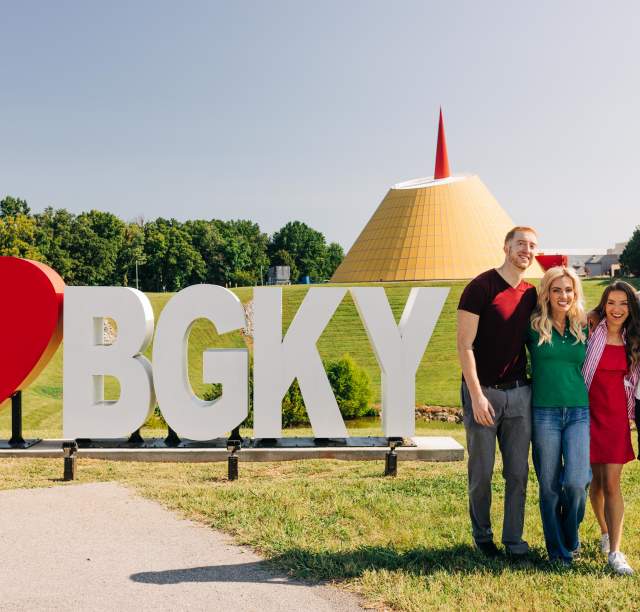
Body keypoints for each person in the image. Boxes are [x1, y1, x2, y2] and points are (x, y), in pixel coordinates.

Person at [457, 226, 538, 557]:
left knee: (518, 473)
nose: (527, 250)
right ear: (506, 247)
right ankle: (483, 535)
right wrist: (476, 395)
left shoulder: (532, 293)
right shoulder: (480, 287)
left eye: (532, 246)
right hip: (484, 393)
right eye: (521, 243)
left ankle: (514, 540)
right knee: (482, 471)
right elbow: (464, 346)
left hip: (520, 394)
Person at [527, 266, 589, 564]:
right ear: (547, 293)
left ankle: (571, 537)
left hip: (578, 412)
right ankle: (558, 552)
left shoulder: (584, 326)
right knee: (549, 487)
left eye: (568, 290)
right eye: (556, 290)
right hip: (544, 414)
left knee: (577, 482)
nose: (563, 295)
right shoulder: (534, 325)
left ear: (575, 292)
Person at [583, 281, 640, 575]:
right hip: (587, 415)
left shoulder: (635, 339)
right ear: (603, 305)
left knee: (612, 483)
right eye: (611, 303)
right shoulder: (592, 330)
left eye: (624, 304)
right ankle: (605, 533)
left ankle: (616, 552)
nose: (617, 309)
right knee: (595, 482)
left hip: (617, 418)